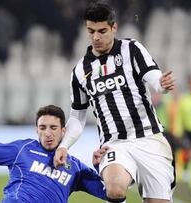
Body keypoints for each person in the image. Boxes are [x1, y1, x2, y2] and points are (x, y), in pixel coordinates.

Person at [54, 2, 176, 203]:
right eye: (91, 31)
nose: (96, 37)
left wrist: (161, 84)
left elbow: (153, 76)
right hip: (114, 144)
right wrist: (64, 146)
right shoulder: (79, 72)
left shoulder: (131, 49)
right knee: (115, 189)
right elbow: (77, 117)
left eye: (102, 31)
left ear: (114, 27)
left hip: (149, 139)